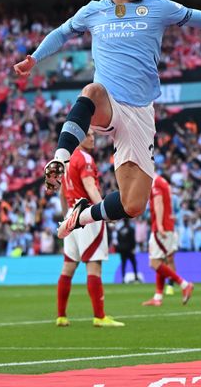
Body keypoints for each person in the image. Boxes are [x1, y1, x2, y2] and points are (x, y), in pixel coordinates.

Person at [13, 0, 201, 240]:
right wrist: (34, 58)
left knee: (132, 204)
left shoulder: (159, 5)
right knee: (91, 91)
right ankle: (61, 159)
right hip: (109, 103)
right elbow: (62, 33)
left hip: (140, 113)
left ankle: (81, 215)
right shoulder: (93, 11)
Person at [56, 131, 124, 327]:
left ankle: (61, 315)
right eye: (88, 134)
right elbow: (90, 186)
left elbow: (61, 192)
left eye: (93, 134)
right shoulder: (85, 158)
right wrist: (105, 211)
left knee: (68, 266)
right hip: (87, 214)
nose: (92, 137)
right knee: (94, 265)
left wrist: (66, 217)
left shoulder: (66, 160)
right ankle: (99, 316)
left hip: (71, 213)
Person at [141, 174, 194, 306]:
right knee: (161, 261)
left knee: (154, 263)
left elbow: (158, 203)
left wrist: (159, 225)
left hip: (162, 227)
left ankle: (184, 284)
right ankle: (158, 297)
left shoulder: (155, 182)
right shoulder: (164, 181)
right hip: (168, 226)